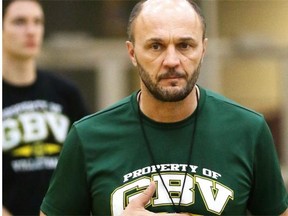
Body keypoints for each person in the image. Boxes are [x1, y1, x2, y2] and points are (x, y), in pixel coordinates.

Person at [40, 0, 288, 215]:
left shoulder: (249, 130)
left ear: (203, 50)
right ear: (132, 52)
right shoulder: (88, 137)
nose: (172, 61)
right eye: (155, 46)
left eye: (185, 45)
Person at [2, 0, 90, 215]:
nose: (31, 31)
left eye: (37, 22)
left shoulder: (66, 93)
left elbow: (89, 160)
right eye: (19, 22)